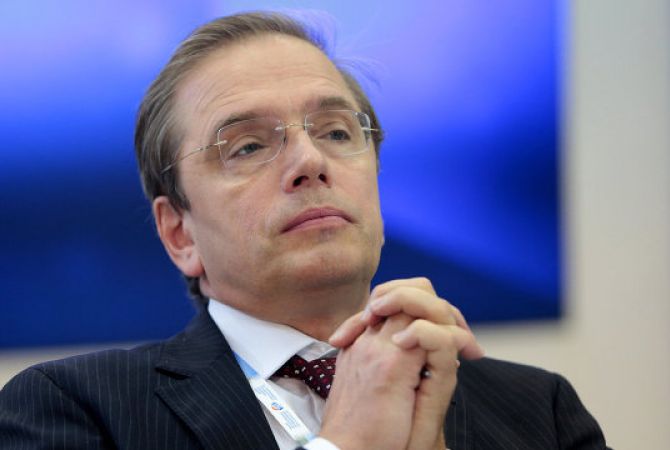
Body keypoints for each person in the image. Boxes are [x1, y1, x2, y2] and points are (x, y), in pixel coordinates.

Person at [0, 11, 609, 450]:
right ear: (179, 233)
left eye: (337, 132)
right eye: (246, 146)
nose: (310, 161)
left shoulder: (540, 412)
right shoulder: (71, 411)